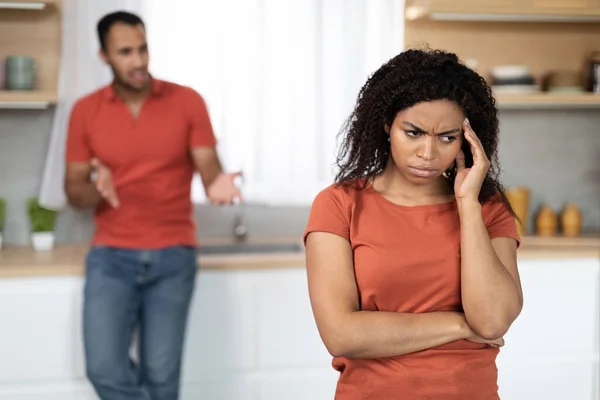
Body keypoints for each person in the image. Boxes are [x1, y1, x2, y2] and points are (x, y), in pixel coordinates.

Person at [303, 49, 524, 400]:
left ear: (468, 140)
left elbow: (494, 321)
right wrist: (460, 324)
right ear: (387, 124)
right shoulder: (339, 205)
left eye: (447, 137)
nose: (428, 152)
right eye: (414, 132)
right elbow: (341, 334)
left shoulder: (487, 209)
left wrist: (467, 204)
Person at [64, 11, 241, 400]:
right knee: (104, 370)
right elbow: (75, 193)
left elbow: (210, 171)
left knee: (162, 378)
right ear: (104, 56)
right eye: (125, 52)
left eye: (143, 49)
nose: (139, 60)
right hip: (111, 255)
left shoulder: (187, 101)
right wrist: (99, 187)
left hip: (173, 256)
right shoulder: (85, 111)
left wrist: (220, 182)